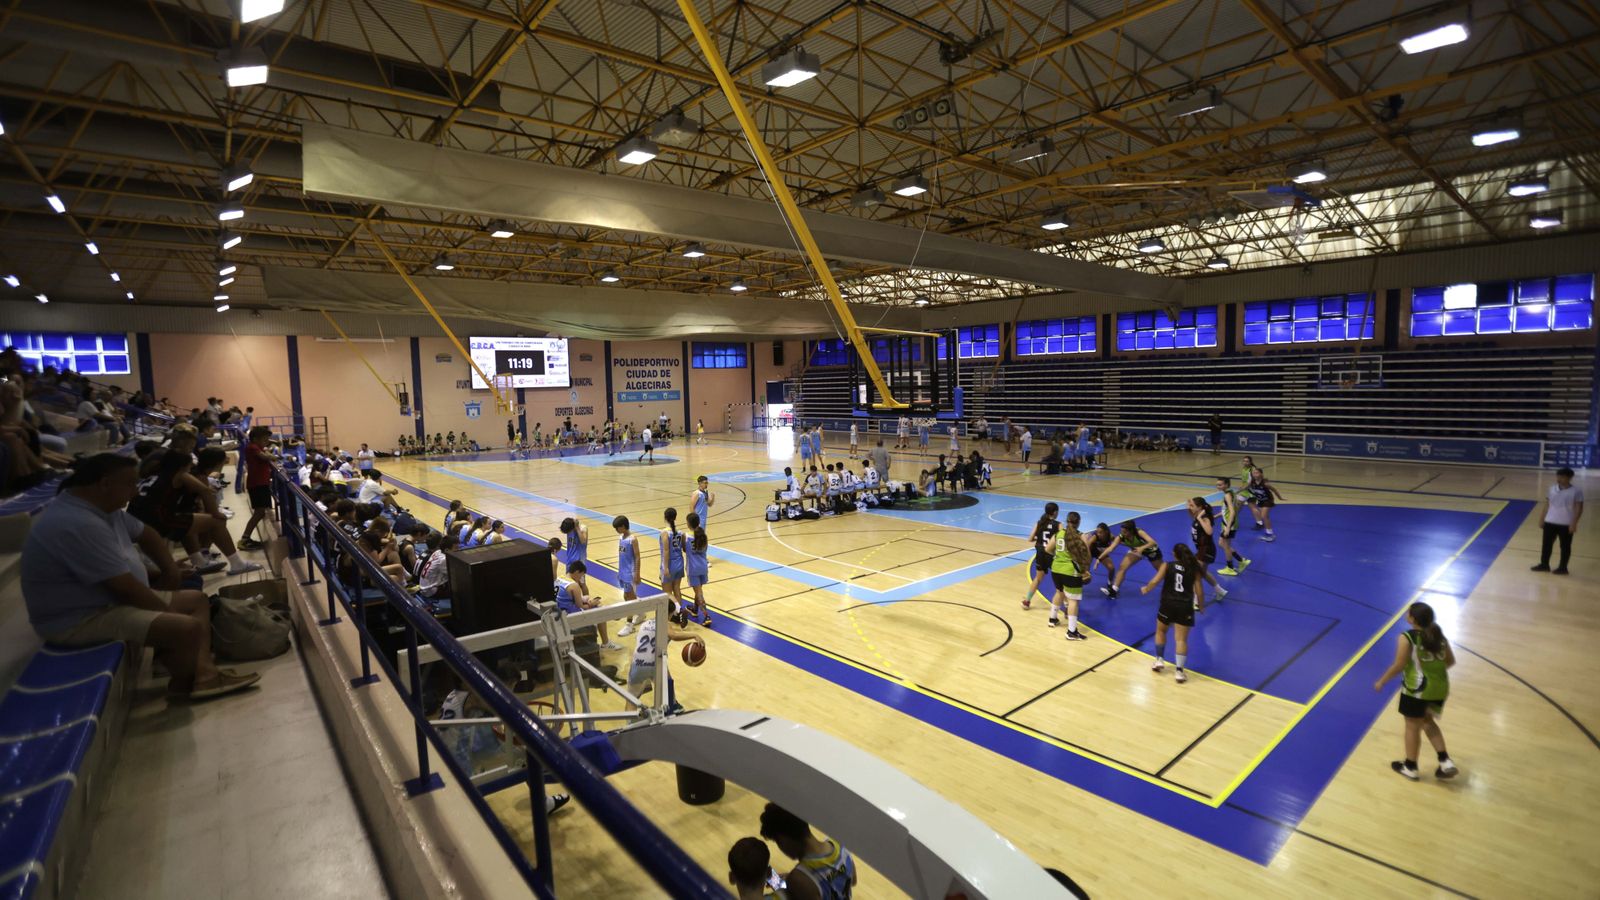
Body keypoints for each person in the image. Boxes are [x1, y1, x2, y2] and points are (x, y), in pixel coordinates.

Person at [21, 454, 259, 699]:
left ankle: (203, 674)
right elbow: (125, 588)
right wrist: (167, 611)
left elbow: (147, 534)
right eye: (131, 484)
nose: (135, 492)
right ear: (105, 484)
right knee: (186, 627)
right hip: (79, 619)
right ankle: (185, 684)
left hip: (105, 602)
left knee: (195, 601)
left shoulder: (101, 508)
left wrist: (168, 570)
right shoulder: (76, 523)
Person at [1373, 601, 1459, 781]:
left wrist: (1382, 680)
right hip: (1441, 687)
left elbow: (1400, 665)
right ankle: (1445, 761)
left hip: (1417, 689)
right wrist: (1433, 670)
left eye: (1408, 612)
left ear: (1412, 618)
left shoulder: (1407, 637)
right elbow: (1450, 661)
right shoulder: (1438, 636)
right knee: (1428, 721)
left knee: (1412, 726)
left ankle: (1410, 766)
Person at [758, 803, 857, 900]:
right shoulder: (841, 846)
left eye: (777, 841)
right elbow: (853, 881)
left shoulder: (799, 879)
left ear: (784, 839)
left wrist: (793, 887)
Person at [1140, 543, 1205, 683]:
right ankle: (1179, 672)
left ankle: (1159, 660)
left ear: (1175, 554)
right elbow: (1199, 590)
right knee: (1181, 639)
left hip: (1168, 604)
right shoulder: (1193, 569)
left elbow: (1155, 581)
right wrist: (1201, 605)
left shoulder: (1167, 565)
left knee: (1161, 631)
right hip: (1184, 606)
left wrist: (1146, 588)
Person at [1531, 467, 1582, 575]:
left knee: (1565, 546)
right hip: (1550, 522)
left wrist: (1574, 523)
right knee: (1546, 544)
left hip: (1566, 523)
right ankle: (1544, 564)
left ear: (1569, 478)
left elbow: (1579, 508)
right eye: (1558, 476)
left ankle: (1563, 568)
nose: (1559, 479)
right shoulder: (1552, 489)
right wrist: (1542, 519)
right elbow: (1547, 504)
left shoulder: (1576, 491)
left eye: (1562, 477)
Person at [1050, 514, 1092, 640]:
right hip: (1071, 570)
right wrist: (1085, 570)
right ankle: (1071, 632)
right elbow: (1087, 555)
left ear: (1067, 521)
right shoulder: (1080, 535)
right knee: (1073, 601)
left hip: (1056, 568)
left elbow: (1048, 549)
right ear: (1078, 522)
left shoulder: (1058, 534)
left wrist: (1059, 557)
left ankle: (1052, 619)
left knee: (1059, 592)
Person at [1097, 519, 1161, 599]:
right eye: (1121, 531)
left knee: (1160, 570)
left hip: (1151, 550)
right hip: (1136, 550)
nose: (1123, 534)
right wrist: (1099, 559)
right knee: (1122, 567)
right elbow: (1110, 548)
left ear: (1131, 531)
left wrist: (1142, 548)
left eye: (1125, 532)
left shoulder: (1139, 532)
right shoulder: (1120, 537)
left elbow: (1153, 542)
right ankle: (1114, 591)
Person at [238, 424, 275, 551]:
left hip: (261, 484)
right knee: (259, 512)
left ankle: (246, 538)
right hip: (257, 484)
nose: (266, 442)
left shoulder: (256, 447)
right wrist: (273, 455)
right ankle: (244, 539)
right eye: (264, 439)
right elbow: (265, 457)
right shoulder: (252, 447)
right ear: (255, 439)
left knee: (260, 512)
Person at [1186, 497, 1229, 602]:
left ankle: (1196, 600)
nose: (1190, 508)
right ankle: (1220, 591)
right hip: (1202, 549)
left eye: (1192, 506)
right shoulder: (1197, 515)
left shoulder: (1204, 518)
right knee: (1203, 573)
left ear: (1200, 507)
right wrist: (1189, 505)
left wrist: (1201, 518)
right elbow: (1192, 514)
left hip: (1206, 550)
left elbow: (1209, 532)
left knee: (1195, 574)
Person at [1023, 502, 1060, 610]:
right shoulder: (1058, 524)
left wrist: (1038, 539)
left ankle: (1027, 601)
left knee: (1038, 578)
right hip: (1051, 554)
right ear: (1055, 512)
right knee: (1059, 582)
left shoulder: (1039, 522)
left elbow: (1030, 539)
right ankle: (1067, 607)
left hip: (1040, 553)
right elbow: (1062, 539)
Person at [1213, 477, 1251, 575]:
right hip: (1229, 522)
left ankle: (1230, 568)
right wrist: (1216, 516)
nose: (1218, 486)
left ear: (1226, 485)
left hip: (1229, 524)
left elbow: (1233, 511)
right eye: (1217, 484)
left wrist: (1228, 527)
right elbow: (1227, 510)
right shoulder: (1231, 493)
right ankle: (1241, 560)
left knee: (1225, 545)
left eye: (1220, 485)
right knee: (1222, 543)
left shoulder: (1227, 495)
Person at [614, 515, 643, 636]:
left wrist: (637, 573)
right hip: (622, 571)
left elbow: (637, 557)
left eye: (617, 528)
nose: (616, 530)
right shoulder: (621, 537)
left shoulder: (633, 539)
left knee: (628, 597)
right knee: (628, 596)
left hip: (630, 573)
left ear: (623, 526)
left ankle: (629, 625)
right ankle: (641, 612)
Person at [685, 511, 712, 626]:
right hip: (703, 567)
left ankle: (706, 615)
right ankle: (695, 609)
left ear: (689, 524)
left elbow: (685, 550)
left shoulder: (686, 537)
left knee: (699, 593)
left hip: (693, 568)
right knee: (698, 590)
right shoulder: (703, 536)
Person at [659, 507, 687, 620]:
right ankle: (677, 615)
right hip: (679, 562)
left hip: (670, 564)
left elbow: (666, 551)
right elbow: (684, 549)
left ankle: (679, 611)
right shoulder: (681, 533)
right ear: (675, 518)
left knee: (666, 592)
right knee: (676, 588)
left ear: (665, 517)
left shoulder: (665, 533)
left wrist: (665, 568)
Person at [1245, 466, 1285, 541]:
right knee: (1265, 516)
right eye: (1253, 473)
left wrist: (1280, 498)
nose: (1255, 474)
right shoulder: (1252, 482)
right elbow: (1245, 487)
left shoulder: (1265, 483)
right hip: (1261, 501)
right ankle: (1268, 533)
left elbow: (1274, 490)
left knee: (1264, 516)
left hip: (1268, 501)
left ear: (1261, 474)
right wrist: (1236, 493)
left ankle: (1271, 535)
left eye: (1256, 473)